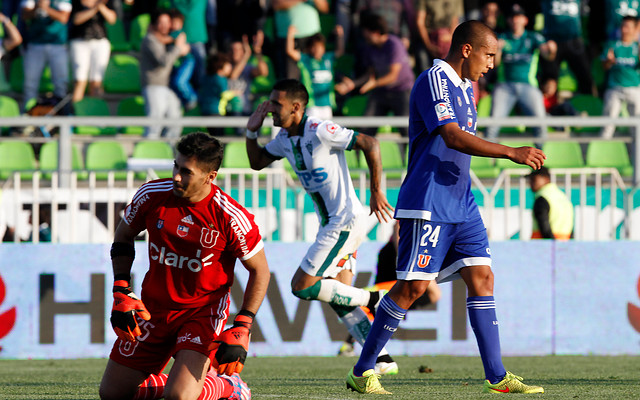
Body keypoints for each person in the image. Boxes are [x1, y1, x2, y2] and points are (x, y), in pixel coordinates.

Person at [345, 20, 547, 395]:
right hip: (429, 201)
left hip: (462, 201)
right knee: (413, 288)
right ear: (466, 49)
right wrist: (510, 152)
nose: (491, 65)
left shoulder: (468, 87)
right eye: (488, 55)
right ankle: (362, 370)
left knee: (483, 278)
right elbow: (451, 136)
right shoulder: (433, 80)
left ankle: (497, 377)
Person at [245, 79, 400, 375]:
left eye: (276, 105)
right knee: (339, 295)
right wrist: (252, 131)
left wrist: (376, 190)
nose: (270, 110)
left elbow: (371, 143)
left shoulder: (320, 130)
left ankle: (375, 298)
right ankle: (381, 358)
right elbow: (256, 162)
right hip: (331, 223)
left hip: (344, 221)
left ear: (296, 107)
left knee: (301, 287)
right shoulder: (283, 139)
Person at [99, 132, 269, 400]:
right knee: (112, 394)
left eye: (187, 172)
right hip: (153, 309)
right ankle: (184, 383)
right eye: (176, 166)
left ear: (210, 177)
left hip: (201, 313)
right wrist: (121, 287)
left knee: (178, 398)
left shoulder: (230, 215)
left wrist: (243, 324)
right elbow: (123, 236)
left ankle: (230, 386)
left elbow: (260, 270)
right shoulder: (152, 194)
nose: (177, 176)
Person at [338, 221, 441, 357]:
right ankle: (349, 344)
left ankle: (390, 320)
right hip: (390, 281)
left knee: (434, 294)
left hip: (403, 276)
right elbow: (398, 230)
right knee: (369, 308)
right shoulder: (391, 248)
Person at [486, 4, 557, 141]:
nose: (515, 21)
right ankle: (487, 160)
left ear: (525, 20)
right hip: (504, 86)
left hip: (528, 85)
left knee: (541, 125)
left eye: (518, 17)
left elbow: (547, 56)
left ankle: (543, 159)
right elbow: (495, 64)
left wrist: (552, 49)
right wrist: (498, 50)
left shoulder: (533, 37)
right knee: (492, 125)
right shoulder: (502, 37)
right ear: (508, 20)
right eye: (512, 18)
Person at [339, 14, 414, 137]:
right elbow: (370, 74)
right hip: (381, 92)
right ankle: (361, 155)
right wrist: (353, 84)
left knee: (407, 130)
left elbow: (393, 76)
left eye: (366, 32)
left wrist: (374, 84)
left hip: (402, 91)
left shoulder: (394, 44)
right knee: (365, 129)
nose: (364, 35)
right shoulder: (369, 48)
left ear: (376, 32)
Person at [139, 9, 190, 138]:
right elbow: (163, 61)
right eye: (161, 22)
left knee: (175, 121)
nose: (165, 25)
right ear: (154, 24)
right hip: (154, 86)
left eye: (167, 22)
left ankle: (168, 152)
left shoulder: (166, 41)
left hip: (167, 86)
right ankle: (148, 153)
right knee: (154, 124)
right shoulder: (149, 40)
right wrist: (178, 48)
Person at [21, 0, 72, 110]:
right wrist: (37, 7)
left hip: (58, 45)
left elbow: (63, 18)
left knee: (61, 84)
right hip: (35, 45)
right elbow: (25, 16)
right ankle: (27, 114)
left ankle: (63, 114)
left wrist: (46, 8)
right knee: (30, 84)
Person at [286, 24, 344, 119]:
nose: (317, 50)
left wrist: (340, 35)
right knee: (312, 132)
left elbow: (340, 51)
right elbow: (290, 51)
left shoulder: (328, 59)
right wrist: (290, 34)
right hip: (312, 105)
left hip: (327, 104)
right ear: (309, 48)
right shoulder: (306, 60)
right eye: (314, 47)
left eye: (320, 47)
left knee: (327, 132)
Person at [539, 0, 596, 96]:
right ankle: (546, 107)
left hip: (574, 41)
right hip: (552, 41)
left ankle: (590, 106)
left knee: (586, 78)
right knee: (549, 81)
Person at [600, 15, 640, 139]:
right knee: (607, 126)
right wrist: (609, 61)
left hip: (634, 88)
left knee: (637, 129)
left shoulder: (637, 47)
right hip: (615, 89)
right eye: (623, 26)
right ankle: (601, 155)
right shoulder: (612, 45)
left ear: (635, 29)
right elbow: (604, 66)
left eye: (627, 27)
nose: (624, 29)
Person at [69, 0, 116, 102]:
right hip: (80, 41)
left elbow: (112, 19)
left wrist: (101, 6)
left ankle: (95, 112)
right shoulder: (76, 2)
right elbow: (76, 19)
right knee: (80, 80)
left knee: (97, 82)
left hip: (100, 41)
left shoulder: (106, 2)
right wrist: (95, 9)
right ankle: (76, 112)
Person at [528, 166, 573, 240]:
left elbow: (545, 229)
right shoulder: (563, 197)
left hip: (544, 247)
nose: (531, 183)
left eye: (534, 179)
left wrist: (553, 246)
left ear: (546, 179)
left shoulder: (542, 198)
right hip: (565, 245)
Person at [167, 8, 198, 110]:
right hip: (178, 62)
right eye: (173, 22)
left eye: (177, 22)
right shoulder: (171, 34)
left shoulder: (178, 34)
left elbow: (178, 47)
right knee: (174, 83)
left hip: (187, 61)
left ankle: (192, 98)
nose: (174, 25)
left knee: (179, 81)